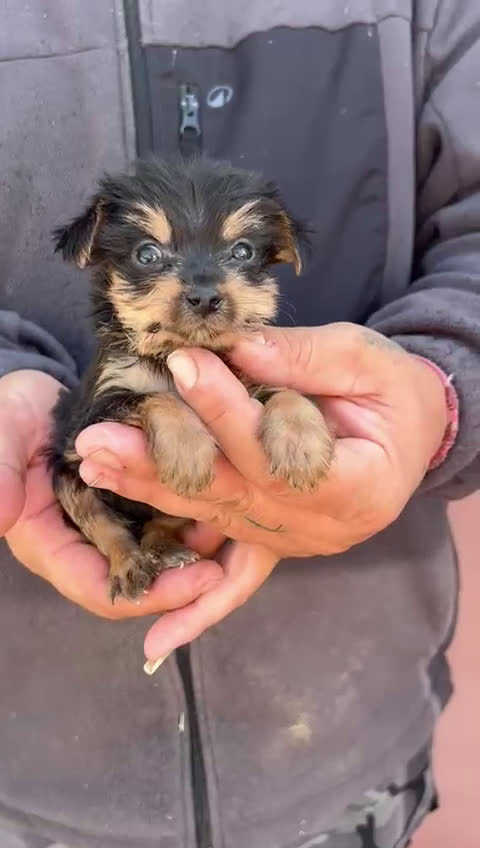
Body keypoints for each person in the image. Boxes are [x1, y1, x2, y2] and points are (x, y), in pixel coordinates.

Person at [0, 2, 479, 847]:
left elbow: (273, 399)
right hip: (32, 770)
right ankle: (128, 551)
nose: (200, 286)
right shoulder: (122, 362)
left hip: (348, 748)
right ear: (101, 261)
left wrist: (436, 389)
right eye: (148, 257)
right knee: (80, 469)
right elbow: (116, 415)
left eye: (243, 254)